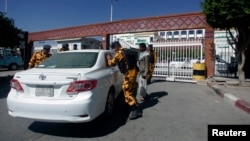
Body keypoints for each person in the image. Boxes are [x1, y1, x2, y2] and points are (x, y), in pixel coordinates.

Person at [106, 41, 142, 120]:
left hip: (128, 75)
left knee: (126, 91)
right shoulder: (126, 50)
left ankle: (135, 109)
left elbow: (112, 63)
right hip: (134, 73)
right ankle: (128, 106)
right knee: (131, 90)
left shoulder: (119, 53)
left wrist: (109, 59)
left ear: (116, 47)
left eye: (114, 49)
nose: (114, 51)